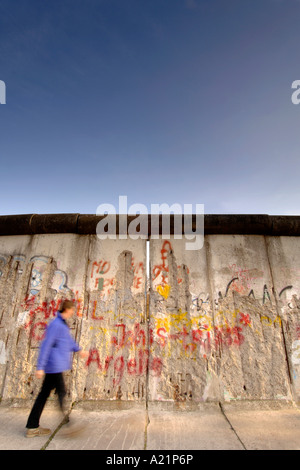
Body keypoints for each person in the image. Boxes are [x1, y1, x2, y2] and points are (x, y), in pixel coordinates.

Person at [25, 299, 88, 438]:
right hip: (53, 366)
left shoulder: (62, 324)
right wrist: (40, 367)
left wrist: (79, 350)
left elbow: (67, 341)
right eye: (72, 310)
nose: (73, 312)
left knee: (44, 395)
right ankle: (68, 425)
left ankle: (32, 426)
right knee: (60, 393)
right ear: (68, 309)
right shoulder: (56, 325)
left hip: (56, 365)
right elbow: (46, 345)